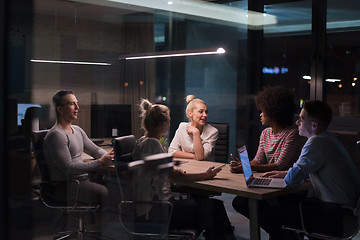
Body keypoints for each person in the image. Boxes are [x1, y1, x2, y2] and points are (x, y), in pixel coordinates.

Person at [132, 99, 235, 240]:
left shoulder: (141, 142)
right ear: (163, 124)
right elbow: (176, 178)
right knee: (214, 208)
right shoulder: (154, 144)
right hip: (160, 211)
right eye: (168, 121)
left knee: (211, 210)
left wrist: (170, 169)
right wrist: (204, 175)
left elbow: (159, 172)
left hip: (147, 209)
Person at [259, 100, 360, 240]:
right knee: (285, 206)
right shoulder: (329, 139)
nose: (296, 123)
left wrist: (287, 175)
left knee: (268, 215)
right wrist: (283, 173)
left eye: (301, 119)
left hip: (334, 215)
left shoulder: (315, 142)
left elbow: (291, 180)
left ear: (314, 125)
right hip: (347, 213)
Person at [230, 86, 305, 217]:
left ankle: (280, 231)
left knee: (251, 205)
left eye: (263, 111)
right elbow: (258, 160)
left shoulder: (292, 134)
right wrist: (245, 165)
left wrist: (247, 167)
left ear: (273, 112)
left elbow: (279, 165)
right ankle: (278, 231)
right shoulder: (265, 133)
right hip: (272, 183)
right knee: (240, 202)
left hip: (288, 186)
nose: (260, 114)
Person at [43, 90, 114, 206]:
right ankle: (102, 223)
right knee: (105, 192)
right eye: (72, 104)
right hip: (66, 185)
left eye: (77, 103)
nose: (77, 107)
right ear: (60, 109)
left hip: (81, 180)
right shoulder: (56, 135)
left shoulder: (77, 130)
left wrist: (108, 156)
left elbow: (95, 150)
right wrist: (100, 162)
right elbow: (69, 168)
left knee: (114, 184)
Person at [168, 95, 218, 161]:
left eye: (206, 112)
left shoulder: (213, 132)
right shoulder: (182, 127)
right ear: (190, 113)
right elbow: (171, 151)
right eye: (201, 111)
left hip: (207, 167)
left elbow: (200, 157)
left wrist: (196, 133)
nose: (205, 115)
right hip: (188, 164)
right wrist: (193, 156)